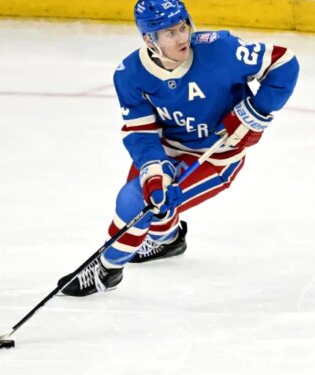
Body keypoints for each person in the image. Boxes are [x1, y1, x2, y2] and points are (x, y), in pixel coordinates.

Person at [57, 0, 299, 296]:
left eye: (183, 26)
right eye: (170, 33)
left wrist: (255, 112)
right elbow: (142, 131)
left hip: (216, 155)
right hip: (165, 147)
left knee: (135, 201)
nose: (183, 37)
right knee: (154, 197)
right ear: (149, 39)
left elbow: (284, 63)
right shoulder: (130, 74)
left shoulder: (220, 49)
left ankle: (107, 269)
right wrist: (156, 171)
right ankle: (169, 239)